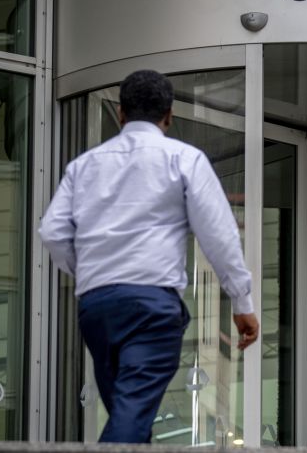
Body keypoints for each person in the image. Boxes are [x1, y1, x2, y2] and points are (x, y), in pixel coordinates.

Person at [38, 69, 259, 443]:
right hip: (150, 307)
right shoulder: (184, 159)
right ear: (169, 116)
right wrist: (242, 302)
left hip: (97, 308)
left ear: (121, 113)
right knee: (131, 418)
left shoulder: (84, 166)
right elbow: (219, 236)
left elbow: (52, 232)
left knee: (129, 416)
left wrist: (93, 272)